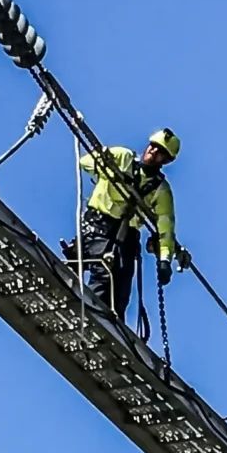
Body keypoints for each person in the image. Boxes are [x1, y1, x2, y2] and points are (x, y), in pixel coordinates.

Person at [75, 130, 190, 323]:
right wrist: (110, 170)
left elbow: (165, 228)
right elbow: (85, 162)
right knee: (105, 274)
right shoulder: (122, 157)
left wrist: (165, 261)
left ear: (166, 160)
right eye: (153, 146)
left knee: (121, 292)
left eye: (160, 151)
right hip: (99, 226)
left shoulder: (160, 190)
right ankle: (88, 318)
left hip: (126, 237)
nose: (153, 151)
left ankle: (113, 329)